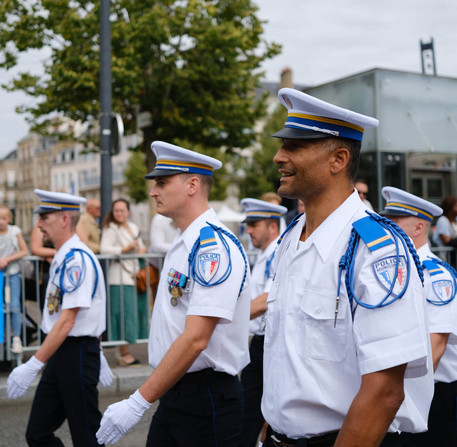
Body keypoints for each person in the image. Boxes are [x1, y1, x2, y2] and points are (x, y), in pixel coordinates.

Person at [261, 88, 429, 447]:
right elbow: (285, 360)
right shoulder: (293, 239)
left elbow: (384, 391)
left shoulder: (376, 250)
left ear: (338, 159)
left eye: (294, 146)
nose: (278, 157)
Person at [97, 141, 251, 446]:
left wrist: (138, 401)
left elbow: (196, 337)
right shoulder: (184, 241)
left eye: (162, 182)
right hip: (176, 389)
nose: (154, 191)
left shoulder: (212, 247)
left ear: (193, 184)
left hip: (206, 398)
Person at [6, 189, 110, 447]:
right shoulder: (64, 256)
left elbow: (68, 320)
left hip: (75, 351)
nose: (39, 224)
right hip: (62, 350)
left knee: (86, 434)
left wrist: (33, 364)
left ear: (64, 219)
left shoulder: (76, 259)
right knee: (37, 434)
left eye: (45, 217)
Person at [380, 186, 457, 446]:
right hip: (397, 389)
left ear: (418, 228)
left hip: (431, 392)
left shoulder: (436, 275)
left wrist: (398, 396)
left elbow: (436, 345)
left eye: (395, 222)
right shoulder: (397, 269)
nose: (387, 228)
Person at [239, 198, 287, 447]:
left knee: (263, 408)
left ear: (272, 226)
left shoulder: (278, 252)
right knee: (250, 409)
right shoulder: (264, 254)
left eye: (254, 224)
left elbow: (266, 299)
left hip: (271, 341)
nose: (248, 230)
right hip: (260, 341)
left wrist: (227, 319)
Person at [100, 198, 147, 366]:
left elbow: (141, 246)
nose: (119, 213)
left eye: (122, 210)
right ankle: (122, 352)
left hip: (133, 275)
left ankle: (126, 350)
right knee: (121, 315)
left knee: (131, 314)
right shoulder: (110, 228)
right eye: (116, 210)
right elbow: (104, 249)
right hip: (118, 275)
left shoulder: (133, 227)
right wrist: (124, 250)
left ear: (128, 211)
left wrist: (141, 249)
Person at [0, 205, 28, 354]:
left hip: (12, 273)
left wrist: (7, 259)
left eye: (4, 218)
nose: (1, 221)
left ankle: (16, 337)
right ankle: (2, 336)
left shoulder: (14, 231)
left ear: (9, 219)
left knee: (14, 305)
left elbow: (24, 250)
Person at [432, 195, 457, 265]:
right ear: (450, 208)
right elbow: (446, 240)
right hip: (445, 257)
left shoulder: (454, 220)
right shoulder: (443, 220)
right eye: (456, 206)